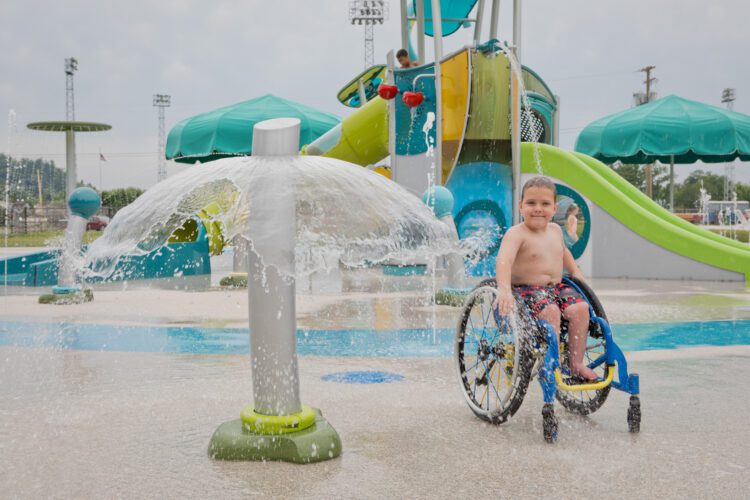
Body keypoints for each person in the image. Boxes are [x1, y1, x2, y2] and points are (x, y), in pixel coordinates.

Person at [493, 176, 597, 380]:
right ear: (521, 205)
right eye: (531, 203)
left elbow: (563, 251)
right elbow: (503, 260)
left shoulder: (556, 230)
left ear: (554, 208)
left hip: (556, 288)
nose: (538, 208)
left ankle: (576, 363)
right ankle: (552, 363)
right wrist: (504, 290)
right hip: (525, 291)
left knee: (581, 309)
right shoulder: (517, 234)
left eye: (545, 204)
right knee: (551, 311)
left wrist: (575, 272)